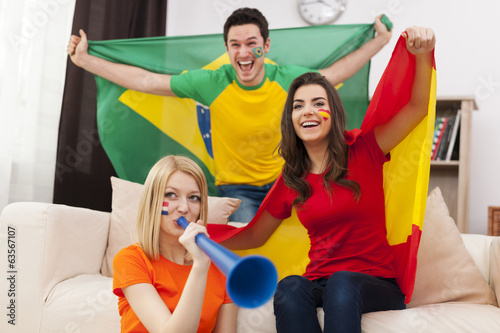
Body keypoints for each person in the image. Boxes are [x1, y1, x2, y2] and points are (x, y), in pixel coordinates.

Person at [67, 7, 392, 223]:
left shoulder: (287, 79)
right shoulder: (211, 82)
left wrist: (381, 40)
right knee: (248, 243)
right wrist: (85, 61)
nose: (243, 52)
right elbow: (146, 81)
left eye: (252, 43)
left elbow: (333, 75)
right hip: (239, 189)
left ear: (266, 45)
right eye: (235, 45)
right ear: (227, 49)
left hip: (289, 182)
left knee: (316, 234)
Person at [217, 26, 435, 333]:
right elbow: (255, 236)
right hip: (321, 282)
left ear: (333, 112)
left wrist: (423, 55)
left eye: (318, 103)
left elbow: (417, 108)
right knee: (290, 286)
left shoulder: (365, 150)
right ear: (291, 121)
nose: (309, 111)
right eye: (298, 105)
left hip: (376, 283)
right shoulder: (293, 178)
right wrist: (205, 237)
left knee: (343, 282)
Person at [112, 155, 237, 333]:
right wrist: (200, 267)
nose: (184, 208)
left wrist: (203, 262)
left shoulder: (220, 268)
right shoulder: (131, 260)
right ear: (153, 202)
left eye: (194, 197)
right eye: (171, 195)